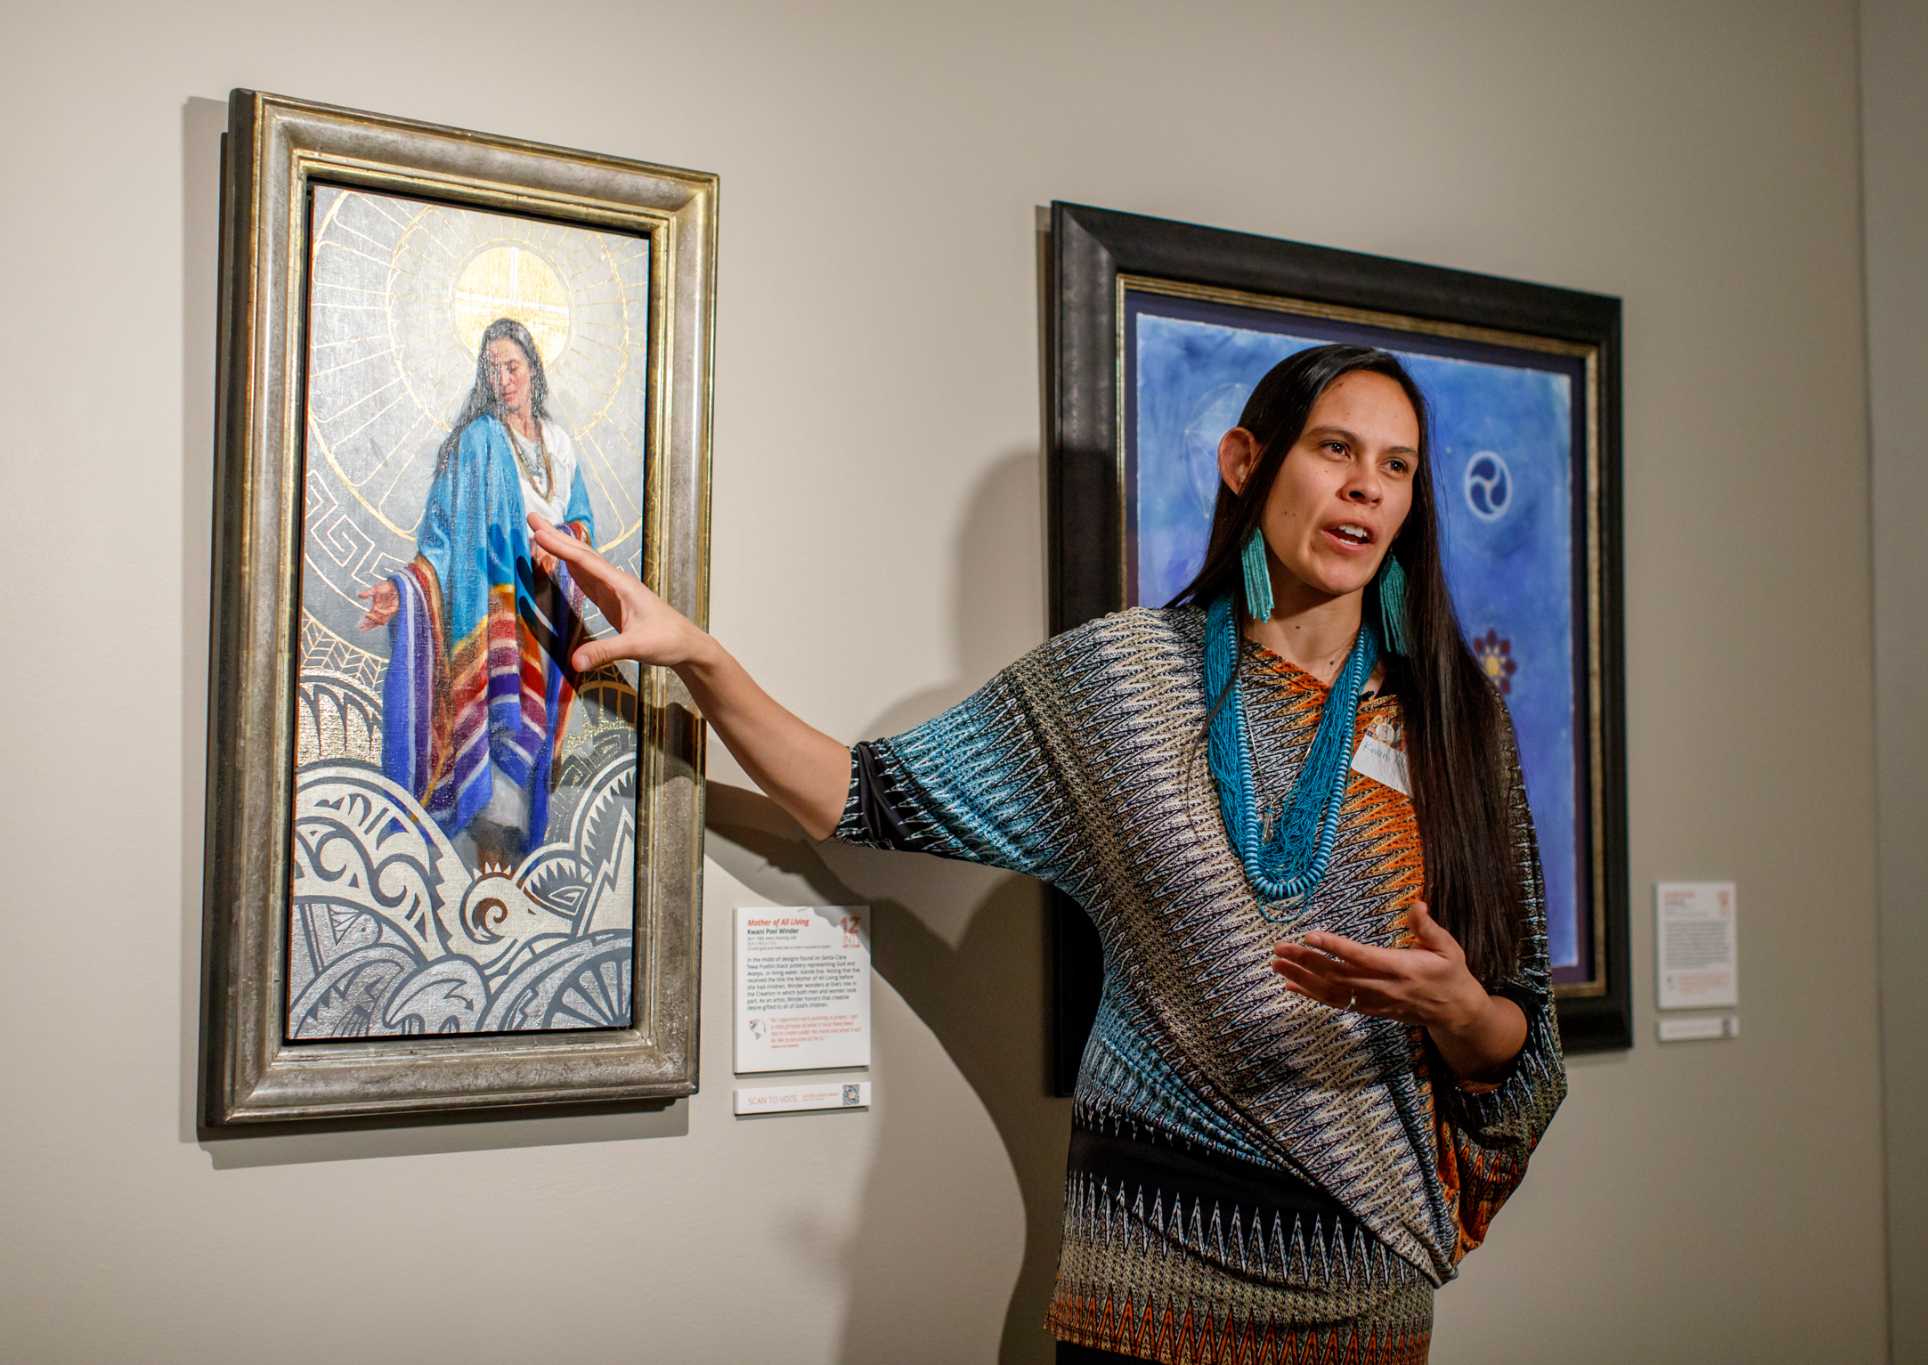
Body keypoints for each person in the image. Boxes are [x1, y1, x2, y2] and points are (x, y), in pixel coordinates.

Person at [530, 344, 1564, 1363]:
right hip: (1141, 1286)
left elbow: (1519, 1034)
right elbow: (858, 796)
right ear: (1245, 462)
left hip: (1361, 1293)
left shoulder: (1456, 724)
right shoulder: (1123, 684)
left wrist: (1460, 1012)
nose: (1366, 486)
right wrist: (702, 660)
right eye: (1335, 448)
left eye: (1396, 465)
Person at [359, 317, 599, 869]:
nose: (503, 379)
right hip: (494, 628)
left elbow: (583, 524)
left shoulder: (559, 445)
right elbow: (444, 537)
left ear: (533, 369)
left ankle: (511, 891)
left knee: (530, 760)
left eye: (512, 366)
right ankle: (490, 887)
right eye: (492, 369)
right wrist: (406, 588)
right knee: (499, 765)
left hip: (547, 621)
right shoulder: (478, 441)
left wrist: (560, 543)